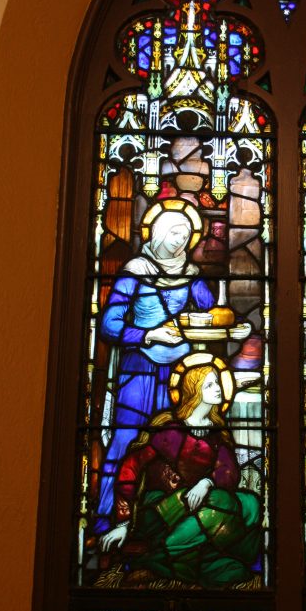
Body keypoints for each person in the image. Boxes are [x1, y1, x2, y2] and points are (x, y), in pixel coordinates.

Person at [95, 203, 215, 533]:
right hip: (139, 368)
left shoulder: (187, 270)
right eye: (175, 233)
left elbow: (208, 307)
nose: (181, 241)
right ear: (159, 232)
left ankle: (160, 527)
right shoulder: (136, 269)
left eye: (187, 235)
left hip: (178, 370)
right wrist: (148, 334)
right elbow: (109, 324)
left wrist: (195, 278)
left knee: (172, 444)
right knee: (126, 439)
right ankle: (105, 517)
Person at [99, 360, 261, 587]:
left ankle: (182, 559)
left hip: (203, 511)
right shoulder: (169, 431)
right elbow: (131, 468)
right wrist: (123, 523)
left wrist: (205, 482)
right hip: (161, 510)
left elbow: (229, 472)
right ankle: (162, 554)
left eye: (218, 383)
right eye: (210, 384)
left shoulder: (216, 434)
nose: (218, 388)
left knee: (251, 503)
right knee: (221, 500)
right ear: (194, 390)